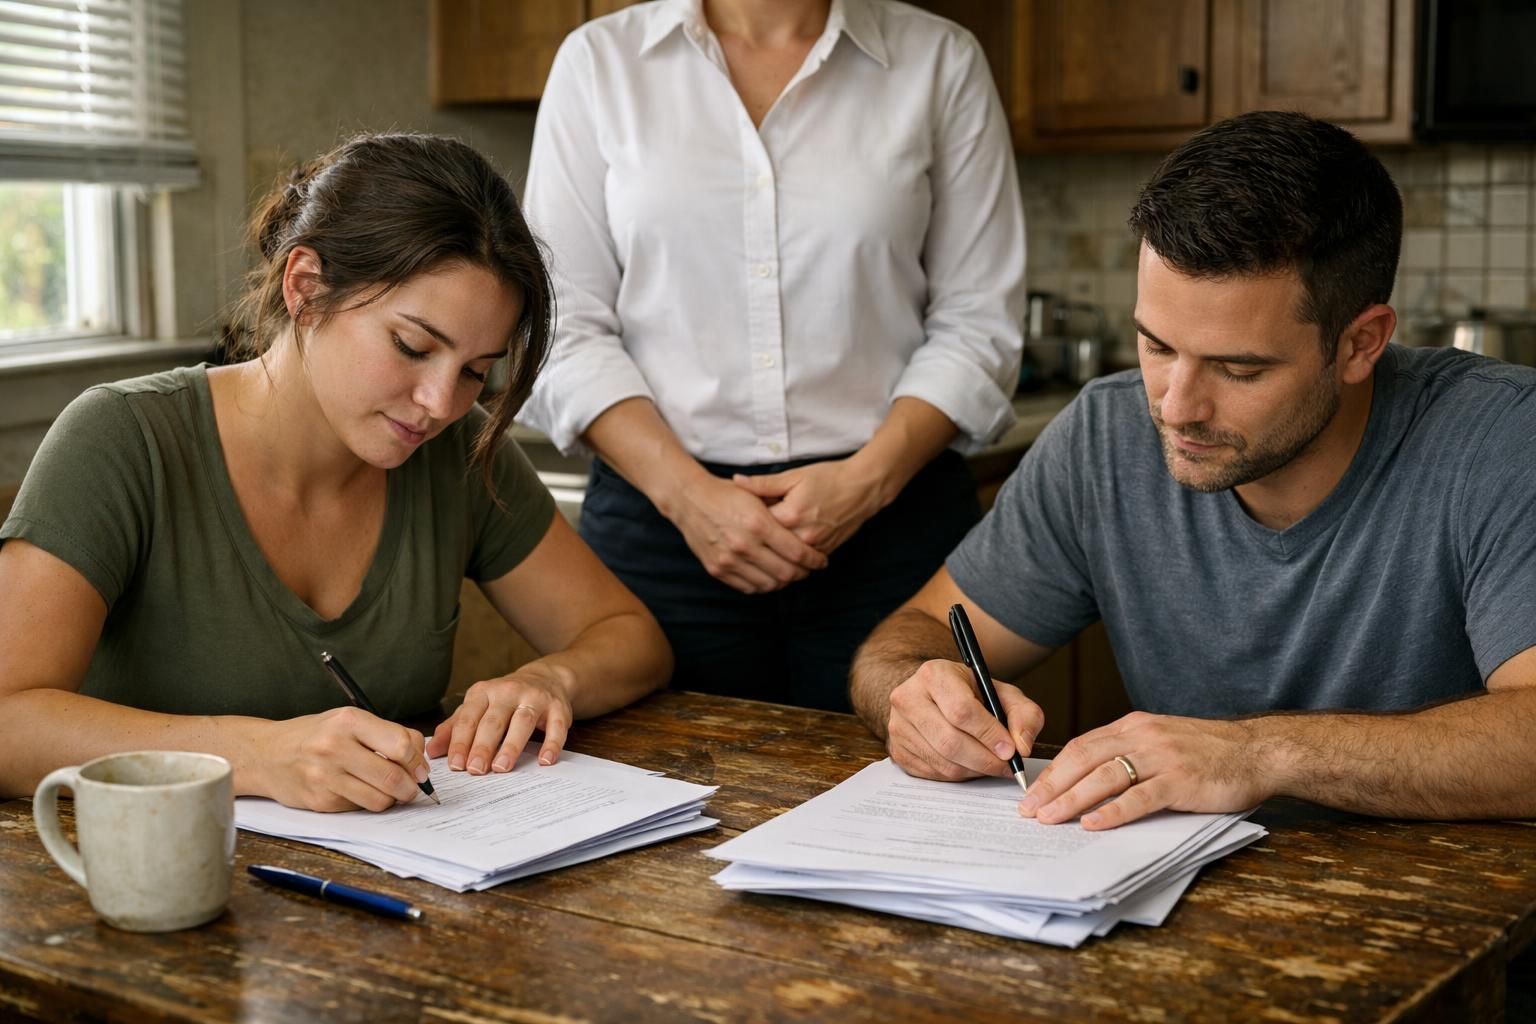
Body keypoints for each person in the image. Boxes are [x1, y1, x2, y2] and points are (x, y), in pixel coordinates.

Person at [850, 110, 1536, 830]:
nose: (1176, 407)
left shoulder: (1501, 440)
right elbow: (918, 630)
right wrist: (916, 691)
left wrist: (1257, 755)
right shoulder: (1106, 434)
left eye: (1239, 368)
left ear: (1361, 343)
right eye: (1155, 346)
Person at [0, 133, 672, 812]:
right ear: (306, 289)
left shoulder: (456, 453)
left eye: (475, 372)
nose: (440, 403)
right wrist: (258, 755)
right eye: (412, 346)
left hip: (395, 885)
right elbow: (7, 720)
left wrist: (552, 679)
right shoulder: (123, 440)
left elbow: (629, 636)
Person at [516, 0, 1026, 711]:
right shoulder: (600, 63)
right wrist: (688, 498)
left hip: (892, 530)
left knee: (911, 794)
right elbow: (561, 325)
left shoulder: (940, 61)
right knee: (657, 798)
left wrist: (866, 484)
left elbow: (979, 319)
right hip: (661, 535)